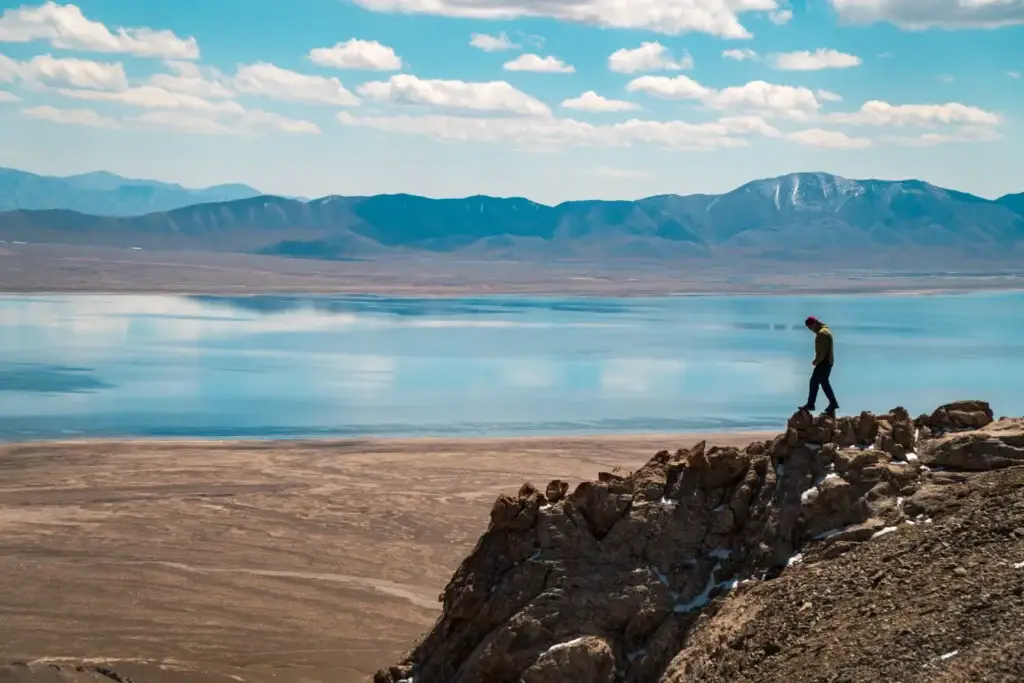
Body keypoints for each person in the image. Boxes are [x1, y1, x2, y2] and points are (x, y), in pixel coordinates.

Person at [800, 316, 839, 416]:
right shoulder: (826, 330)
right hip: (828, 361)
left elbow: (822, 352)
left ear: (814, 324)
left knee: (814, 382)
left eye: (810, 327)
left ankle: (811, 404)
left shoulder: (822, 334)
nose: (810, 330)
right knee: (823, 383)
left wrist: (816, 361)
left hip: (824, 362)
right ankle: (832, 403)